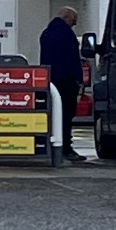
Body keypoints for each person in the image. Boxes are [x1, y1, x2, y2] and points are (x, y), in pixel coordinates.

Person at [40, 10, 86, 157]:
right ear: (67, 17)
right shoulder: (67, 34)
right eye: (74, 20)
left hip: (50, 81)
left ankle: (51, 146)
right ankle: (66, 147)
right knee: (67, 115)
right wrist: (79, 80)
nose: (75, 23)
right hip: (66, 81)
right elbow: (72, 60)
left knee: (53, 114)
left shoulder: (46, 33)